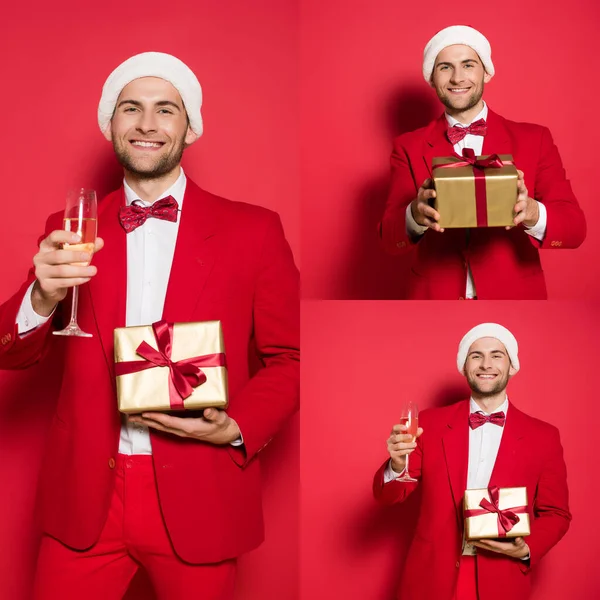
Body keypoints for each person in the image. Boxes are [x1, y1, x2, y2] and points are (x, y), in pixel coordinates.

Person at [0, 52, 299, 600]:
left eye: (166, 109)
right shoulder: (68, 228)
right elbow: (12, 354)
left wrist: (236, 429)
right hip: (85, 494)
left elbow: (292, 357)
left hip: (199, 487)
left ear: (190, 126)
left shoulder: (254, 231)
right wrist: (42, 295)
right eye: (130, 108)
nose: (146, 124)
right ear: (109, 124)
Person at [378, 25, 586, 300]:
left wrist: (533, 213)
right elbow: (390, 240)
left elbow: (575, 229)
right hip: (434, 298)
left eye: (468, 65)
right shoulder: (408, 146)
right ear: (431, 78)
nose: (457, 78)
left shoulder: (535, 139)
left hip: (515, 297)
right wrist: (415, 215)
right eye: (445, 67)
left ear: (486, 71)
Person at [373, 323, 570, 600]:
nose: (486, 364)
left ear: (512, 366)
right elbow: (391, 496)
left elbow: (556, 513)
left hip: (502, 578)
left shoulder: (544, 436)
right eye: (476, 355)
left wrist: (526, 549)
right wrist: (396, 466)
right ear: (464, 367)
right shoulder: (429, 423)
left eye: (496, 355)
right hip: (431, 578)